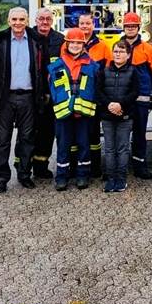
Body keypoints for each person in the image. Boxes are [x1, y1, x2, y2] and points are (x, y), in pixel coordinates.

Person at [0, 7, 46, 193]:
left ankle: (24, 174)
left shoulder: (37, 41)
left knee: (27, 139)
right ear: (8, 21)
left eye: (22, 19)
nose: (18, 23)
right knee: (2, 141)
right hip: (5, 98)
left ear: (27, 21)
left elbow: (42, 71)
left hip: (29, 98)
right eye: (14, 19)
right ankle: (2, 178)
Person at [47, 28, 99, 191]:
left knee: (84, 144)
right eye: (72, 43)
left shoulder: (93, 65)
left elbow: (96, 89)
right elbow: (53, 90)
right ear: (66, 44)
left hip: (83, 114)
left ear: (83, 45)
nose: (75, 46)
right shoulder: (56, 66)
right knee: (63, 146)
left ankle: (83, 175)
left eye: (79, 43)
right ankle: (62, 176)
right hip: (64, 114)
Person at [121, 12, 152, 180]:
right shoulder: (117, 47)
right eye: (128, 26)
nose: (130, 28)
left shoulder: (147, 49)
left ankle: (140, 166)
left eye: (133, 26)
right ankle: (120, 168)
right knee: (121, 134)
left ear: (138, 28)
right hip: (122, 98)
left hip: (140, 99)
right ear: (124, 27)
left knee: (139, 133)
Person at [96, 39, 140, 192]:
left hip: (125, 115)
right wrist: (109, 105)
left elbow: (135, 92)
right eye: (115, 51)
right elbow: (99, 91)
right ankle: (110, 179)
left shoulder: (133, 72)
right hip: (107, 116)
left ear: (128, 55)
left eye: (122, 51)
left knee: (122, 148)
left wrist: (121, 104)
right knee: (109, 148)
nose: (118, 54)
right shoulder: (104, 71)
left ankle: (121, 179)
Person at [28, 7, 65, 179]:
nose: (44, 22)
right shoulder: (27, 37)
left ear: (52, 20)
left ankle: (41, 166)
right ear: (35, 20)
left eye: (48, 19)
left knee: (47, 131)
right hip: (30, 91)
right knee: (27, 132)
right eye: (41, 19)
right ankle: (24, 168)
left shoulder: (60, 39)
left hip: (52, 93)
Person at [77, 12, 112, 178]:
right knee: (77, 132)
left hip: (95, 95)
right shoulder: (70, 44)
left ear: (93, 25)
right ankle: (78, 167)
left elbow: (108, 70)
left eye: (87, 23)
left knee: (93, 133)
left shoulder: (103, 46)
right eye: (82, 23)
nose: (85, 26)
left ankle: (95, 168)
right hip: (77, 96)